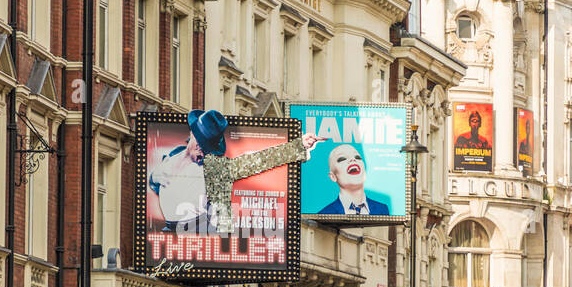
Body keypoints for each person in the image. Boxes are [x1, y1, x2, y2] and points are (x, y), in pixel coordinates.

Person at [148, 109, 327, 233]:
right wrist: (154, 177)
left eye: (208, 147)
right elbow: (156, 183)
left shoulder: (214, 168)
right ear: (193, 134)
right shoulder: (171, 156)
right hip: (167, 232)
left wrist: (299, 146)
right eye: (201, 144)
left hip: (195, 233)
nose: (203, 151)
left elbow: (256, 162)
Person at [317, 144, 391, 216]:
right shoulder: (324, 214)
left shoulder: (382, 209)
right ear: (333, 176)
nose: (353, 159)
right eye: (342, 158)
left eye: (357, 157)